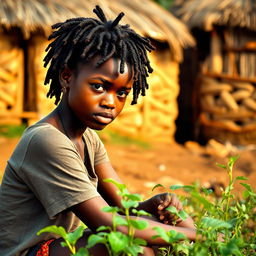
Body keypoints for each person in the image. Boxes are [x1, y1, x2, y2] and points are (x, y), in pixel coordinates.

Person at [0, 5, 196, 256]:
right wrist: (197, 234)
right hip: (25, 252)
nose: (110, 102)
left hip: (60, 244)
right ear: (67, 77)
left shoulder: (88, 140)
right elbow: (109, 223)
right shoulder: (46, 140)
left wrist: (151, 206)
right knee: (133, 248)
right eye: (99, 86)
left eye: (122, 93)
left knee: (162, 228)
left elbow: (122, 208)